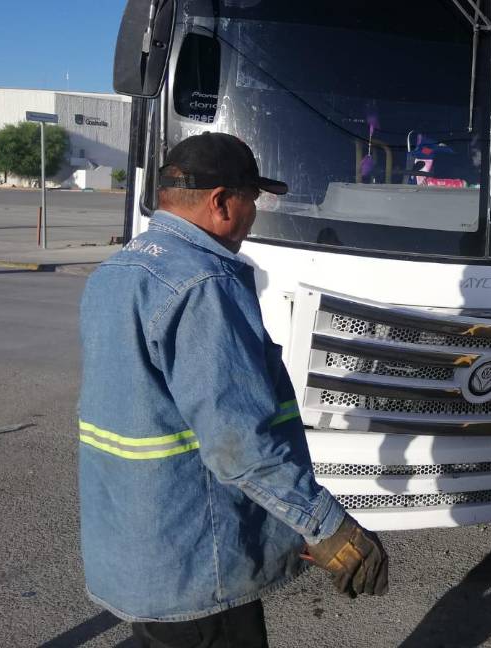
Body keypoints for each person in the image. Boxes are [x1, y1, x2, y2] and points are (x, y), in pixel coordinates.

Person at [78, 132, 388, 647]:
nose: (253, 217)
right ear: (222, 202)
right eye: (253, 201)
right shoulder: (204, 285)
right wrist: (326, 526)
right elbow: (240, 443)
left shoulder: (117, 271)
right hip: (199, 558)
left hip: (140, 549)